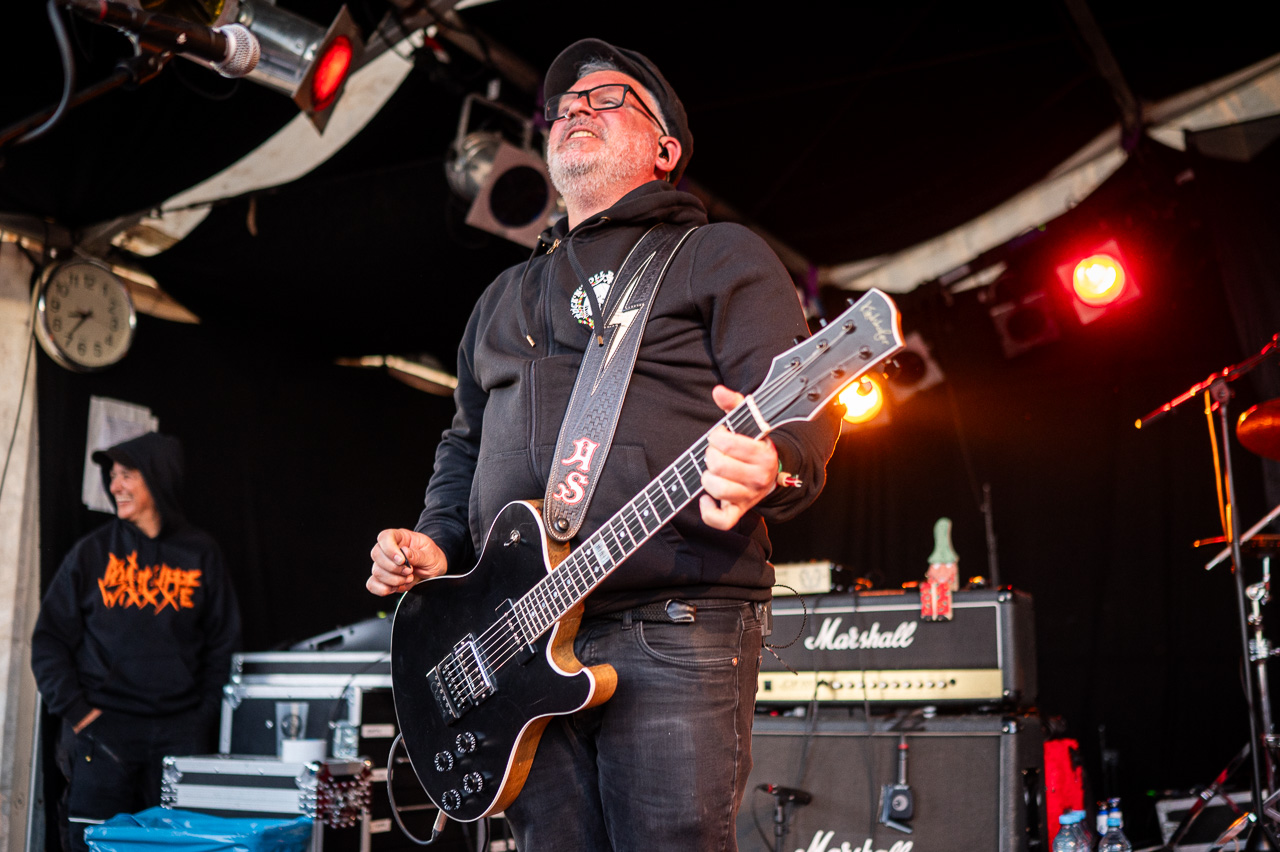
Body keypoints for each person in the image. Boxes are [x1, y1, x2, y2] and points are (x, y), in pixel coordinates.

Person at [368, 39, 839, 851]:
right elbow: (463, 444)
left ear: (666, 150)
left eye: (608, 97)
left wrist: (777, 463)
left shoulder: (716, 255)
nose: (576, 108)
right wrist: (436, 541)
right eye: (564, 106)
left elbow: (800, 399)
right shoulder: (501, 296)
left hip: (673, 617)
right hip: (518, 634)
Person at [31, 432, 241, 852]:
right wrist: (79, 713)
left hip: (178, 738)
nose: (115, 486)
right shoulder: (92, 553)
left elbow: (223, 644)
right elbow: (48, 640)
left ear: (158, 477)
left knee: (176, 846)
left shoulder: (201, 553)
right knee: (93, 844)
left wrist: (200, 719)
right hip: (102, 734)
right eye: (112, 476)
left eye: (126, 474)